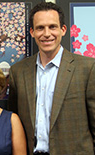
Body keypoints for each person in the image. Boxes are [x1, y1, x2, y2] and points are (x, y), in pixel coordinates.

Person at [8, 2, 95, 155]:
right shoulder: (18, 71)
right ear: (32, 32)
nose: (46, 33)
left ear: (63, 30)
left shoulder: (88, 68)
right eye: (40, 28)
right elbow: (14, 121)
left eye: (52, 27)